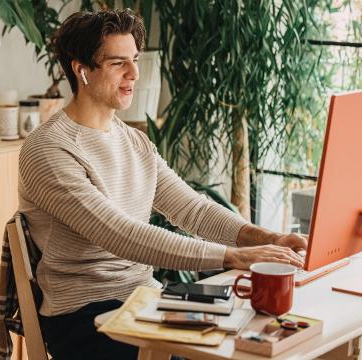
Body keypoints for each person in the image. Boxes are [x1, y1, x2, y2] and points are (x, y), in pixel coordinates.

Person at [17, 9, 307, 360]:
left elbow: (193, 209)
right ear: (82, 70)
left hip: (145, 300)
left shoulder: (134, 141)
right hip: (84, 317)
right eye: (117, 63)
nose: (134, 74)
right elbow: (119, 235)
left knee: (253, 342)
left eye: (135, 60)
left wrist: (269, 239)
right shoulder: (49, 149)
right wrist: (234, 256)